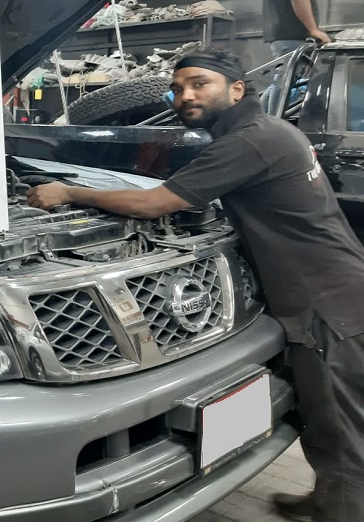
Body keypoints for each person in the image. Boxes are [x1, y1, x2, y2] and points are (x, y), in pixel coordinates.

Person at [27, 49, 364, 522]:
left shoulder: (247, 142)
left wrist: (67, 191)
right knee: (331, 416)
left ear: (237, 89)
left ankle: (343, 510)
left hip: (326, 305)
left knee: (340, 424)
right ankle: (329, 499)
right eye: (178, 88)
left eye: (199, 84)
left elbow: (154, 205)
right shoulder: (274, 130)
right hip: (337, 286)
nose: (185, 95)